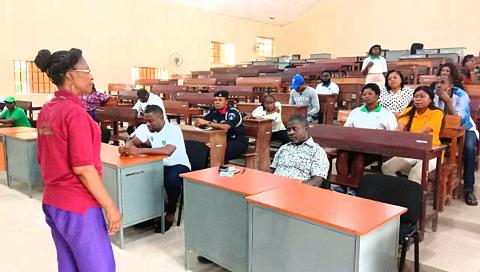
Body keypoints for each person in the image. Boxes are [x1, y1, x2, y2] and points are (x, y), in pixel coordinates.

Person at [34, 48, 120, 271]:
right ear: (71, 75)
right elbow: (83, 167)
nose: (91, 76)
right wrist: (110, 206)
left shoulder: (47, 111)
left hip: (53, 202)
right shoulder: (75, 114)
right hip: (78, 206)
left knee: (69, 265)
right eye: (87, 70)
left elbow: (42, 158)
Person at [119, 105, 191, 231]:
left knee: (171, 180)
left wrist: (139, 150)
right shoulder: (147, 128)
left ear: (161, 118)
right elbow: (133, 141)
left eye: (150, 121)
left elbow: (168, 151)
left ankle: (170, 213)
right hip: (158, 164)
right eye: (145, 120)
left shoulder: (173, 129)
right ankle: (152, 213)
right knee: (138, 175)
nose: (147, 124)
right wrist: (127, 147)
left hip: (178, 165)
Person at [336, 83, 397, 185]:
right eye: (364, 94)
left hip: (375, 149)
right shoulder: (356, 111)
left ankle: (355, 187)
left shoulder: (386, 114)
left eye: (370, 94)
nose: (367, 96)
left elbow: (393, 135)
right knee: (342, 154)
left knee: (358, 155)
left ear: (377, 95)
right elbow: (347, 130)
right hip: (354, 145)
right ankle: (343, 186)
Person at [382, 86, 444, 184]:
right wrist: (391, 136)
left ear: (430, 99)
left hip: (432, 152)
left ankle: (413, 198)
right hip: (413, 150)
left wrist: (407, 139)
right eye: (415, 96)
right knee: (387, 167)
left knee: (416, 173)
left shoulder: (437, 113)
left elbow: (424, 132)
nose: (418, 99)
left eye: (422, 96)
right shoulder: (408, 111)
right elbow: (400, 128)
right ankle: (400, 191)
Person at [433, 75, 479, 205]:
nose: (439, 85)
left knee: (469, 148)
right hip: (443, 130)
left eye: (442, 82)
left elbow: (459, 120)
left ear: (451, 85)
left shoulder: (462, 96)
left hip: (465, 129)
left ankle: (468, 188)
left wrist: (448, 101)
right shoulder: (433, 95)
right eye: (437, 83)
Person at [271, 114, 330, 186]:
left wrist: (293, 189)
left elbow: (317, 181)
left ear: (306, 129)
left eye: (295, 129)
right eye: (288, 130)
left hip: (299, 192)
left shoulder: (317, 151)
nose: (290, 133)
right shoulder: (284, 148)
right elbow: (272, 170)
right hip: (275, 189)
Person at [195, 90, 248, 162]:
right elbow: (202, 121)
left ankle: (221, 170)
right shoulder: (213, 111)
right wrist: (198, 122)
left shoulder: (232, 112)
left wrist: (208, 123)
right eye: (215, 100)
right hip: (221, 140)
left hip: (236, 141)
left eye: (220, 100)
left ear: (226, 102)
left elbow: (226, 127)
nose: (217, 102)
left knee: (220, 151)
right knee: (201, 148)